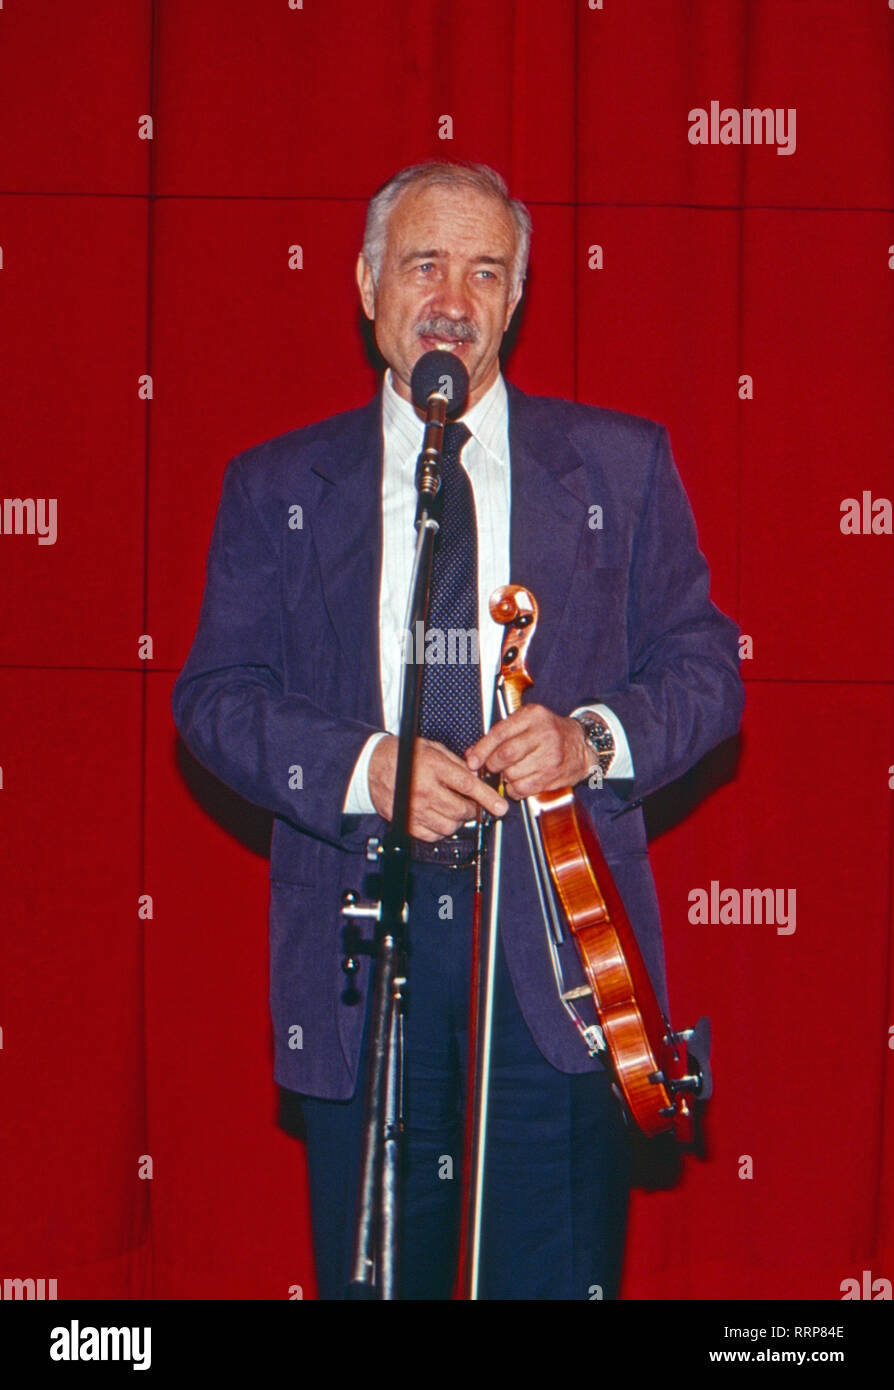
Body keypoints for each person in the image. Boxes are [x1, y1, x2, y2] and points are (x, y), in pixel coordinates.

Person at [172, 160, 744, 1301]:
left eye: (487, 272)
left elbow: (707, 669)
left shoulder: (620, 468)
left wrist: (591, 738)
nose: (455, 297)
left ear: (517, 299)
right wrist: (364, 766)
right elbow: (213, 695)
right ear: (368, 284)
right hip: (367, 962)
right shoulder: (277, 484)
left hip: (559, 967)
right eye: (426, 263)